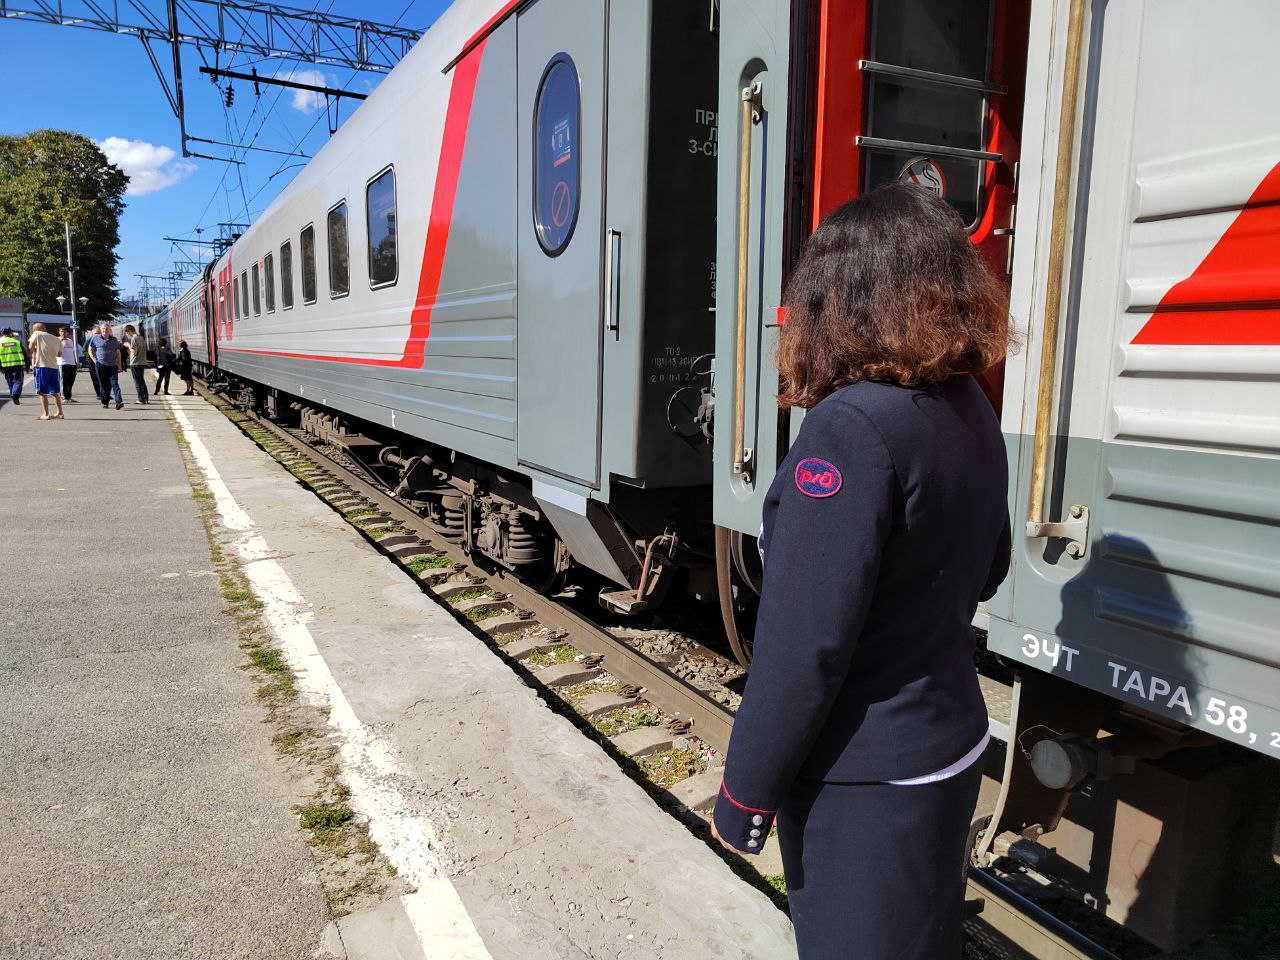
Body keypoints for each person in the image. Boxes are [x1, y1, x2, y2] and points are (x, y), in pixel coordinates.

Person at [709, 184, 1013, 959]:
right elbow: (992, 567)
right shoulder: (968, 405)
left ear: (835, 299)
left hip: (865, 781)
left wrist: (746, 794)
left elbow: (803, 646)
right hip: (948, 748)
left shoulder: (847, 432)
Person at [26, 322, 64, 421]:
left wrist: (35, 350)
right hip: (54, 367)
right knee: (54, 391)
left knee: (42, 392)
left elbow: (30, 347)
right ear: (45, 328)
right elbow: (59, 354)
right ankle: (60, 412)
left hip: (42, 366)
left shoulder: (37, 334)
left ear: (36, 330)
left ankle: (46, 414)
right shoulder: (56, 338)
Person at [88, 322, 125, 410]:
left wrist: (119, 365)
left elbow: (118, 353)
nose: (105, 330)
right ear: (101, 330)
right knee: (104, 385)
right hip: (100, 365)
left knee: (115, 384)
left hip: (112, 366)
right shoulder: (95, 338)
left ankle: (119, 401)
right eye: (103, 329)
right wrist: (94, 360)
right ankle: (105, 401)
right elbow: (90, 349)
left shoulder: (114, 340)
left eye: (106, 329)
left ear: (109, 330)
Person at [123, 324, 150, 404]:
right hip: (142, 362)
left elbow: (134, 353)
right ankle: (145, 397)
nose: (127, 335)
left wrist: (128, 345)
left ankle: (141, 399)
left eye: (127, 333)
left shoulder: (134, 339)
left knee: (137, 381)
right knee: (142, 380)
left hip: (135, 363)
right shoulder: (141, 338)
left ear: (130, 331)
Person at [0, 326, 26, 404]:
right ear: (11, 332)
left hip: (5, 366)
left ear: (2, 333)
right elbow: (25, 354)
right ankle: (15, 395)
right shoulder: (16, 341)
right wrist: (28, 365)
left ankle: (13, 394)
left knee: (10, 381)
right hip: (17, 365)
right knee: (18, 381)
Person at [57, 326, 80, 401]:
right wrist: (60, 341)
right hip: (62, 363)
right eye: (61, 331)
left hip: (72, 364)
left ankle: (68, 397)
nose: (62, 333)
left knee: (71, 381)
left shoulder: (70, 340)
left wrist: (76, 362)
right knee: (64, 381)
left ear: (67, 333)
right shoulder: (57, 340)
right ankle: (63, 396)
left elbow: (73, 352)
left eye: (64, 331)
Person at [83, 323, 102, 398]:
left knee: (103, 378)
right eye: (95, 333)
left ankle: (104, 393)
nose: (97, 335)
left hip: (102, 361)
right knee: (95, 378)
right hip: (92, 362)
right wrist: (89, 356)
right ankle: (99, 394)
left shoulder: (103, 340)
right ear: (92, 333)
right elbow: (84, 351)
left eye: (98, 333)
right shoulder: (89, 340)